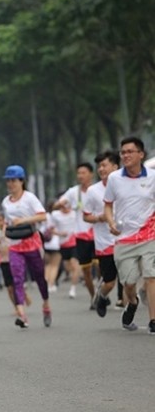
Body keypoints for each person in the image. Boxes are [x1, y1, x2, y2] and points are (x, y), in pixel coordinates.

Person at [104, 136, 155, 333]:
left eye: (129, 152)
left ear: (140, 154)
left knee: (151, 276)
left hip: (149, 234)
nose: (125, 155)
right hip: (124, 238)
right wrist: (110, 221)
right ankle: (132, 302)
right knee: (129, 283)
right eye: (122, 152)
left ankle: (153, 320)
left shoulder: (152, 177)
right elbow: (107, 205)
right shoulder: (115, 178)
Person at [0, 165, 51, 329]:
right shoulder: (6, 202)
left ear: (22, 181)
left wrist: (22, 221)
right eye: (8, 180)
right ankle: (22, 314)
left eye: (13, 180)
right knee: (17, 279)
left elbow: (42, 216)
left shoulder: (29, 198)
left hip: (32, 243)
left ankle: (46, 304)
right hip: (15, 245)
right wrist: (4, 232)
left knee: (39, 278)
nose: (10, 184)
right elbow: (7, 222)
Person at [83, 151, 121, 318]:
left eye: (104, 165)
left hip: (126, 239)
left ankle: (129, 311)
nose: (101, 169)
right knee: (110, 282)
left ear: (115, 167)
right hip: (104, 242)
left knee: (129, 280)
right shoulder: (93, 191)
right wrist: (100, 217)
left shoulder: (126, 185)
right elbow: (86, 215)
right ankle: (102, 295)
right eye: (99, 166)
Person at [54, 163, 97, 305]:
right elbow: (56, 204)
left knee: (103, 266)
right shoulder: (73, 192)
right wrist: (61, 204)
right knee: (86, 271)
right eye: (78, 173)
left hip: (98, 234)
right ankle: (94, 297)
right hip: (81, 236)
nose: (80, 176)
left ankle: (102, 290)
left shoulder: (98, 189)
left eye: (83, 173)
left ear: (91, 174)